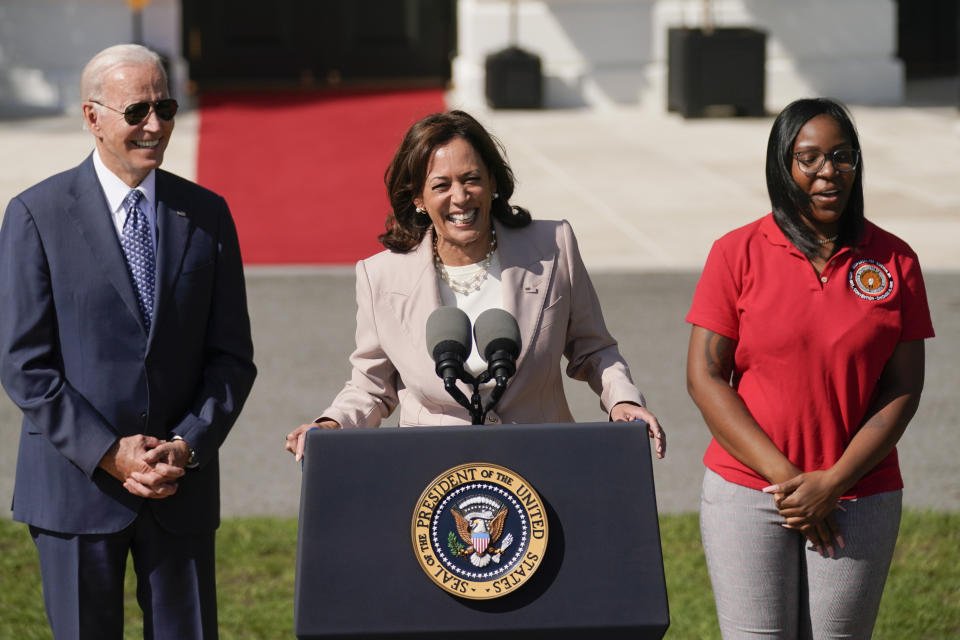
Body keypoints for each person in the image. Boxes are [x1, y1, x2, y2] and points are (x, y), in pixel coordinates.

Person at [0, 44, 256, 639]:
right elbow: (24, 364)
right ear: (93, 117)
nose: (156, 125)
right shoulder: (35, 215)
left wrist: (187, 447)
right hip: (74, 490)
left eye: (165, 107)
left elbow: (231, 358)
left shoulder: (208, 215)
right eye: (137, 110)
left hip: (179, 489)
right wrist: (108, 452)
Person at [686, 97, 934, 639]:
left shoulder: (896, 259)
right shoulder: (736, 252)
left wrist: (835, 481)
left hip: (859, 496)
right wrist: (792, 483)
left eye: (843, 157)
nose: (829, 172)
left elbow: (904, 389)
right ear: (783, 166)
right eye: (810, 158)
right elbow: (705, 377)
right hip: (749, 493)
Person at [285, 110, 664, 459]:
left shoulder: (553, 247)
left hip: (543, 461)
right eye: (441, 185)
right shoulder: (380, 276)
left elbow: (594, 348)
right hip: (433, 473)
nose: (460, 197)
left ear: (493, 182)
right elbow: (371, 385)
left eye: (471, 179)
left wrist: (622, 401)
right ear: (418, 198)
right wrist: (330, 425)